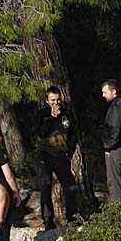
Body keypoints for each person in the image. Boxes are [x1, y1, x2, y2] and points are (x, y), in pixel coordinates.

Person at [36, 86, 79, 228]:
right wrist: (52, 118)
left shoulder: (67, 114)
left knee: (70, 187)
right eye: (52, 100)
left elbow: (73, 134)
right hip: (46, 155)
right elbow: (41, 133)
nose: (56, 103)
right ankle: (48, 221)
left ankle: (72, 219)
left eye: (58, 99)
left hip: (62, 156)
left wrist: (70, 152)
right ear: (47, 100)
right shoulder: (42, 115)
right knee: (45, 187)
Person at [101, 79, 121, 204]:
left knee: (114, 184)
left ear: (113, 91)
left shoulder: (117, 106)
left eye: (105, 92)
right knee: (120, 182)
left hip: (116, 149)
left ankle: (117, 215)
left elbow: (114, 129)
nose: (103, 95)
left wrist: (108, 147)